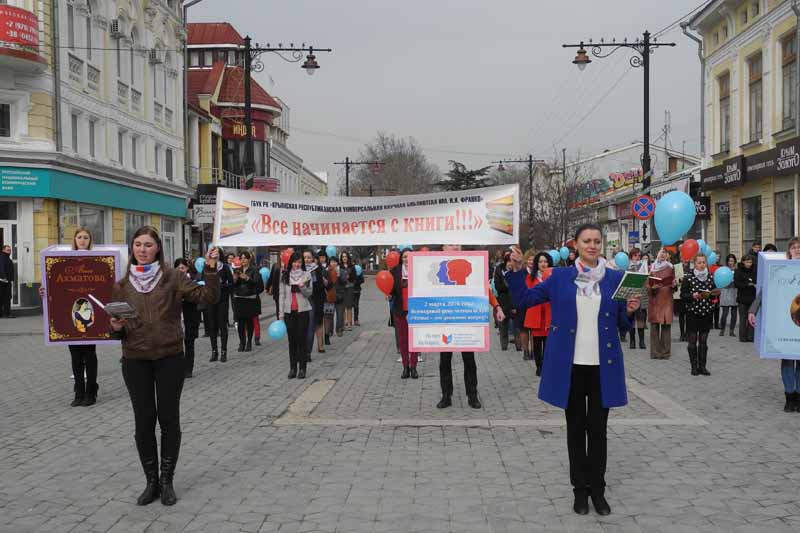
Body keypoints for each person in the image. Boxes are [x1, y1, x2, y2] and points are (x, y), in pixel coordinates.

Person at [507, 223, 640, 516]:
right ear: (576, 245)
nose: (592, 245)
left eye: (596, 241)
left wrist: (630, 311)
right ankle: (580, 491)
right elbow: (526, 300)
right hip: (570, 367)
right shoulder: (560, 277)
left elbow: (622, 323)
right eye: (586, 240)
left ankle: (598, 491)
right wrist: (516, 271)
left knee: (599, 431)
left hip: (603, 367)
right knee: (576, 430)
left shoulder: (616, 278)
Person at [110, 226, 220, 506]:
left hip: (169, 357)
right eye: (138, 244)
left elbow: (208, 297)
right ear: (132, 248)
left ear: (158, 248)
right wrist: (115, 327)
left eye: (148, 245)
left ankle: (167, 480)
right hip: (135, 360)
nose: (142, 250)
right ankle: (151, 482)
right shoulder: (122, 285)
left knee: (169, 419)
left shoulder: (172, 277)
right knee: (144, 421)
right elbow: (116, 331)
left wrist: (210, 268)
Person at [437, 244, 504, 409]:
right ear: (443, 248)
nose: (454, 247)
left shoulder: (473, 265)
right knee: (445, 360)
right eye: (450, 244)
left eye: (456, 244)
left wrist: (497, 306)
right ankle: (446, 395)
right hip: (446, 322)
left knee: (469, 360)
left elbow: (485, 290)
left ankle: (472, 395)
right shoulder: (438, 267)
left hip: (467, 321)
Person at [40, 228, 99, 405]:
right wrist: (44, 291)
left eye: (86, 237)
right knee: (75, 356)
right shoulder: (65, 261)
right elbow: (57, 286)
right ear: (74, 239)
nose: (82, 240)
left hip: (89, 313)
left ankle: (91, 391)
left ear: (90, 240)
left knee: (89, 355)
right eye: (79, 237)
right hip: (71, 314)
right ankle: (79, 392)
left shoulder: (96, 260)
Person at [749, 237, 800, 412]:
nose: (797, 250)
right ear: (789, 251)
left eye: (799, 247)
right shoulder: (780, 269)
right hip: (785, 322)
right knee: (788, 360)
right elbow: (764, 292)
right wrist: (752, 311)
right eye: (794, 247)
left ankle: (798, 398)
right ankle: (789, 397)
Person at [681, 253, 718, 376]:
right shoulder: (689, 277)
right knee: (692, 340)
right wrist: (693, 296)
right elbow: (683, 295)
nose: (702, 265)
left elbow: (714, 295)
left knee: (703, 341)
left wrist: (715, 295)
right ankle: (694, 367)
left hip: (706, 313)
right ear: (694, 264)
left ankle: (703, 367)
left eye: (703, 262)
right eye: (699, 262)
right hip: (692, 313)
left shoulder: (711, 277)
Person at [279, 251, 313, 379]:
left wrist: (302, 287)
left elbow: (309, 293)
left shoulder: (306, 275)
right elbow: (281, 295)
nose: (297, 264)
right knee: (292, 341)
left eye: (299, 262)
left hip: (303, 311)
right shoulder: (285, 275)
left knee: (302, 340)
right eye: (294, 262)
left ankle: (302, 368)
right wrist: (281, 314)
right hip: (289, 312)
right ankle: (293, 368)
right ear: (290, 263)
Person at [390, 249, 418, 379]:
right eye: (405, 257)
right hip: (400, 310)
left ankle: (414, 367)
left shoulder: (418, 270)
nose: (407, 259)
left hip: (415, 310)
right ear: (401, 258)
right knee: (403, 340)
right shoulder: (395, 271)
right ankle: (405, 367)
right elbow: (390, 288)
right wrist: (388, 293)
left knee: (414, 340)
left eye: (409, 257)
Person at [201, 250, 234, 362]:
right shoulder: (208, 266)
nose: (214, 256)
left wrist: (222, 285)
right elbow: (203, 280)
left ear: (219, 255)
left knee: (222, 325)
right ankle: (214, 351)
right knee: (212, 326)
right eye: (212, 254)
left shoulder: (224, 267)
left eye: (216, 254)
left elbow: (231, 283)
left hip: (222, 300)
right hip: (211, 300)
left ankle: (224, 351)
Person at [524, 252, 553, 375]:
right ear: (537, 263)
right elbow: (527, 294)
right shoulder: (530, 277)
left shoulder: (553, 277)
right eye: (540, 261)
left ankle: (546, 366)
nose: (543, 264)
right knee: (536, 343)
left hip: (549, 313)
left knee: (547, 343)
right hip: (535, 313)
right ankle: (538, 366)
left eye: (545, 261)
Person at [174, 259, 201, 378]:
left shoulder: (193, 280)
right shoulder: (171, 281)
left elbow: (197, 297)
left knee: (189, 343)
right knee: (177, 345)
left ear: (187, 268)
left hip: (190, 316)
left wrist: (185, 296)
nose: (180, 270)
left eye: (182, 268)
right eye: (178, 268)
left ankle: (188, 369)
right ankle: (179, 368)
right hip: (177, 317)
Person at [232, 251, 263, 352]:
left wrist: (247, 278)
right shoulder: (237, 270)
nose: (243, 260)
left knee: (249, 322)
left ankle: (249, 342)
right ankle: (242, 342)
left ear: (249, 259)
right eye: (241, 258)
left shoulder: (254, 270)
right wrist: (234, 279)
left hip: (250, 299)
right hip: (239, 298)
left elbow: (258, 284)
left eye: (245, 258)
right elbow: (233, 285)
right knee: (240, 323)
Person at [647, 248, 674, 360]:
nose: (663, 254)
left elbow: (674, 284)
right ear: (656, 254)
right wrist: (652, 287)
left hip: (667, 299)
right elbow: (647, 285)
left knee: (666, 326)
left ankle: (665, 352)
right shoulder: (651, 268)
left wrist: (674, 285)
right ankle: (655, 352)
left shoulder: (671, 267)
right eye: (661, 252)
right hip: (654, 299)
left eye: (665, 252)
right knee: (654, 326)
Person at [304, 249, 326, 357]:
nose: (306, 259)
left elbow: (319, 285)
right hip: (300, 300)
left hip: (312, 300)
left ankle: (307, 352)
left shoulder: (315, 269)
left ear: (312, 258)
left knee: (310, 326)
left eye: (308, 257)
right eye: (305, 257)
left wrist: (308, 285)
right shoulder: (299, 268)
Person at [493, 250, 516, 351]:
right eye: (509, 261)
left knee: (516, 324)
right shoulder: (499, 269)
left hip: (515, 300)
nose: (511, 263)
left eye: (512, 261)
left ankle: (519, 345)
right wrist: (508, 285)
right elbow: (498, 286)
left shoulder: (517, 271)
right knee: (503, 324)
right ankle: (504, 345)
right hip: (503, 300)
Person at [627, 248, 647, 350]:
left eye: (639, 255)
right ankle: (632, 341)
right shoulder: (627, 267)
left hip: (641, 295)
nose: (637, 257)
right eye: (635, 255)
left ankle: (642, 341)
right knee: (631, 319)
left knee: (641, 318)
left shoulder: (644, 266)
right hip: (631, 296)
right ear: (631, 257)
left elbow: (647, 281)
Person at [734, 254, 757, 342]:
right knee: (743, 318)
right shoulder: (738, 271)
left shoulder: (754, 270)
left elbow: (756, 280)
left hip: (752, 298)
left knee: (752, 318)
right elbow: (736, 283)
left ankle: (751, 337)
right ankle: (743, 337)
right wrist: (747, 284)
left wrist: (753, 283)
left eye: (750, 262)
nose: (749, 264)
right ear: (743, 262)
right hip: (742, 298)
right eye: (747, 262)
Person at [719, 254, 738, 337]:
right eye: (729, 261)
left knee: (734, 313)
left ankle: (731, 331)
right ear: (727, 261)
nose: (731, 262)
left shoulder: (737, 270)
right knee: (725, 313)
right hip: (725, 291)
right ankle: (722, 329)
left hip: (734, 291)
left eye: (732, 261)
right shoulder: (724, 270)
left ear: (735, 262)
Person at [339, 251, 356, 331]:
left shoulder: (352, 266)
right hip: (342, 288)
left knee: (349, 306)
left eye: (345, 256)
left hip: (350, 288)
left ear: (348, 257)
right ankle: (343, 324)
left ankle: (349, 323)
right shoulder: (339, 266)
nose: (344, 258)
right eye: (343, 256)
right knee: (342, 307)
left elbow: (355, 277)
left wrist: (350, 277)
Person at [674, 257, 690, 342]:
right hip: (679, 294)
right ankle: (682, 334)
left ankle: (687, 333)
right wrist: (680, 280)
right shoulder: (676, 266)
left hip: (689, 294)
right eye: (683, 256)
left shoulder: (692, 266)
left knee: (688, 315)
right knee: (681, 315)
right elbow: (673, 280)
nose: (685, 258)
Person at [0, 244, 14, 318]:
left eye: (10, 250)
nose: (9, 251)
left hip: (7, 281)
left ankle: (7, 313)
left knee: (7, 298)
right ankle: (5, 314)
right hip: (2, 281)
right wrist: (3, 277)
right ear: (3, 250)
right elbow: (1, 268)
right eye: (8, 250)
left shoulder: (8, 259)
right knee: (2, 297)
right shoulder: (2, 258)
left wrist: (11, 279)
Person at [353, 261, 365, 327]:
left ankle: (356, 319)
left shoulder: (359, 271)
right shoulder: (351, 270)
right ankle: (348, 320)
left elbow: (362, 280)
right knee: (349, 306)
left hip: (357, 290)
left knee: (356, 305)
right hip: (350, 290)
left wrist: (356, 281)